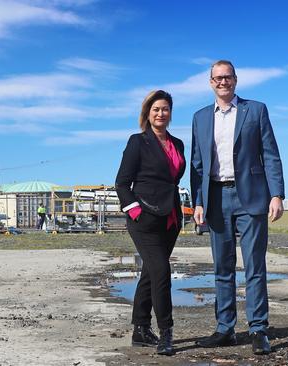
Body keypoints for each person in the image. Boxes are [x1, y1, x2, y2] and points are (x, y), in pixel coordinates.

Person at [190, 60, 284, 355]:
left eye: (227, 77)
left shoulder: (256, 110)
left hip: (251, 198)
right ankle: (225, 328)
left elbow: (270, 154)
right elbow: (197, 164)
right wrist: (198, 201)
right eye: (217, 78)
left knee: (255, 266)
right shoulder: (200, 117)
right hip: (216, 198)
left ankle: (258, 328)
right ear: (210, 82)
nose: (223, 82)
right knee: (222, 267)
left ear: (236, 80)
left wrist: (277, 194)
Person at [115, 90, 186, 356]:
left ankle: (140, 329)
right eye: (156, 109)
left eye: (165, 109)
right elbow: (122, 182)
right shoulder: (138, 141)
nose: (161, 113)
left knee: (151, 273)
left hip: (170, 218)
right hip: (144, 218)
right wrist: (135, 211)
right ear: (148, 113)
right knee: (162, 272)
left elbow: (174, 178)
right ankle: (166, 333)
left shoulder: (177, 143)